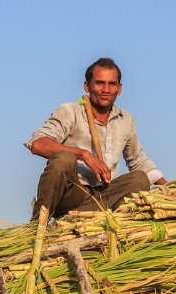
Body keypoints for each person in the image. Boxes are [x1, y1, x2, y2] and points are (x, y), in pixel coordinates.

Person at [24, 57, 166, 221]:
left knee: (140, 179)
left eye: (112, 84)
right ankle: (37, 225)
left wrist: (171, 188)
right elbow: (38, 144)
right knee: (63, 159)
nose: (106, 89)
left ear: (119, 89)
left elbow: (138, 160)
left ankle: (73, 219)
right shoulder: (70, 111)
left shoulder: (125, 119)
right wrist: (84, 155)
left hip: (103, 197)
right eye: (99, 83)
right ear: (87, 86)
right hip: (73, 193)